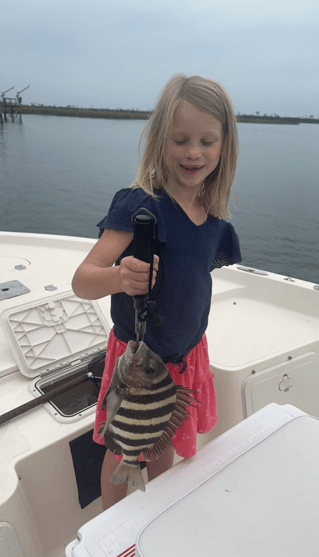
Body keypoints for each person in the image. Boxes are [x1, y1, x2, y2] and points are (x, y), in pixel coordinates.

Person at [72, 73, 242, 510]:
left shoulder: (216, 220)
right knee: (120, 446)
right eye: (180, 139)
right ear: (160, 140)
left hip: (185, 358)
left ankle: (156, 515)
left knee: (162, 444)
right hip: (139, 362)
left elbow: (191, 282)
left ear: (225, 148)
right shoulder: (138, 203)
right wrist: (118, 277)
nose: (193, 152)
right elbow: (83, 279)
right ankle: (112, 526)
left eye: (207, 141)